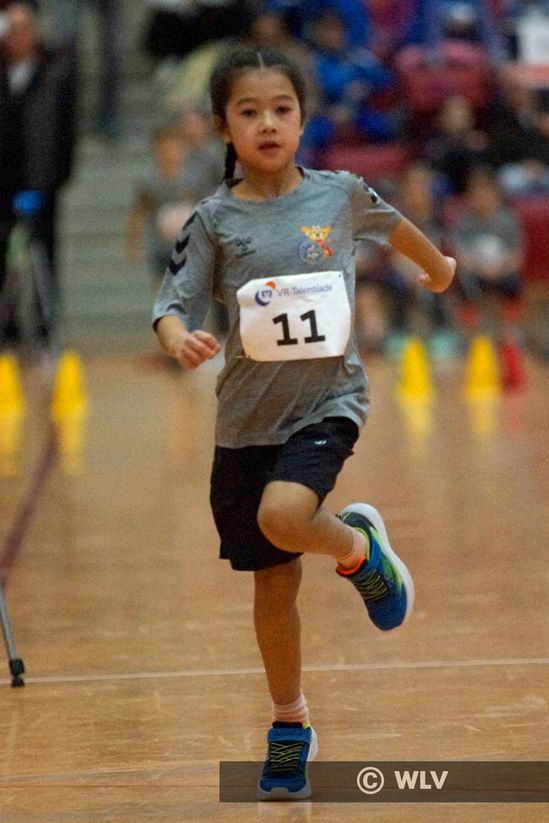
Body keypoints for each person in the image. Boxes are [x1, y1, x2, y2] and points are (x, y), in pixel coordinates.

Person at [152, 47, 455, 801]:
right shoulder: (213, 220)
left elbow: (394, 227)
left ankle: (357, 551)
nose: (267, 123)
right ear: (222, 126)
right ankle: (291, 722)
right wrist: (177, 338)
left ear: (302, 118)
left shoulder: (339, 194)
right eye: (248, 111)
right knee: (273, 583)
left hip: (327, 403)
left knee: (284, 515)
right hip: (244, 422)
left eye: (281, 109)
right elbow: (171, 303)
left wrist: (438, 267)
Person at [0, 1, 77, 353]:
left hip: (41, 186)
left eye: (24, 29)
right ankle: (9, 328)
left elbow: (64, 133)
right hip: (4, 184)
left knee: (44, 257)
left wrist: (52, 181)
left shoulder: (55, 71)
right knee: (6, 258)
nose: (17, 37)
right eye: (11, 30)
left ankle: (46, 327)